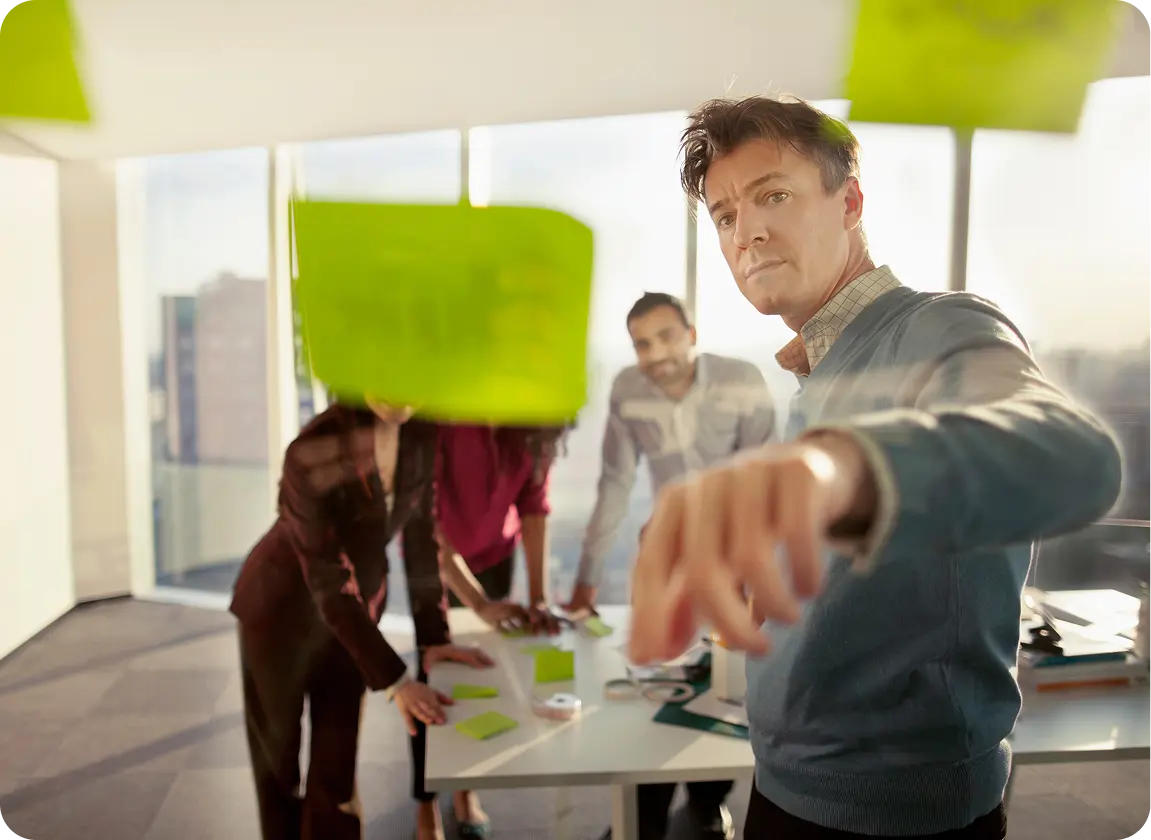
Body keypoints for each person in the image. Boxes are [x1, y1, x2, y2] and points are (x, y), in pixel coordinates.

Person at [627, 95, 1123, 839]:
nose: (746, 231)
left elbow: (1071, 455)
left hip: (893, 818)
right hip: (788, 783)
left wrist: (834, 472)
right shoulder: (818, 369)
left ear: (850, 200)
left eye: (774, 195)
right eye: (725, 215)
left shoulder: (941, 326)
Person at [230, 399, 495, 840]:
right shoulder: (312, 448)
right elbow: (326, 576)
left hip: (353, 616)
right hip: (279, 615)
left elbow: (421, 534)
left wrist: (434, 640)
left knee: (336, 767)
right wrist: (397, 681)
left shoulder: (421, 431)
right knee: (278, 767)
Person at [565, 290, 775, 840]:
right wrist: (586, 575)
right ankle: (643, 820)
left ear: (692, 334)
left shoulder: (741, 380)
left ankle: (706, 805)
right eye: (641, 343)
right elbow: (615, 482)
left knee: (729, 692)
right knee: (653, 691)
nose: (654, 353)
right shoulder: (627, 390)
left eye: (665, 337)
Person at [409, 422, 569, 838]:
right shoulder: (445, 418)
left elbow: (534, 507)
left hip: (497, 554)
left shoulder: (535, 423)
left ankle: (465, 791)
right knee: (432, 680)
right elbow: (426, 522)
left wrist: (538, 599)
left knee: (480, 673)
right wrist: (476, 602)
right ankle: (425, 806)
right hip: (433, 559)